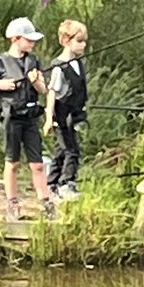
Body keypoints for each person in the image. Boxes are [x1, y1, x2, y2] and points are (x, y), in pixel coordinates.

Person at [0, 16, 56, 223]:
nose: (32, 43)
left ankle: (46, 204)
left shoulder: (33, 61)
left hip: (30, 118)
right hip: (11, 119)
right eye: (29, 39)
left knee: (37, 164)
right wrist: (0, 84)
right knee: (13, 162)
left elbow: (43, 89)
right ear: (15, 39)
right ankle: (13, 204)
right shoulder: (0, 62)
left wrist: (35, 82)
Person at [44, 19, 88, 201]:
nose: (83, 45)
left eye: (84, 41)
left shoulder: (78, 63)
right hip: (62, 117)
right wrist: (49, 119)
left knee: (61, 151)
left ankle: (51, 184)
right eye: (79, 41)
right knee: (71, 150)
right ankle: (66, 183)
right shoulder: (58, 67)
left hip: (75, 114)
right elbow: (52, 93)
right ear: (66, 41)